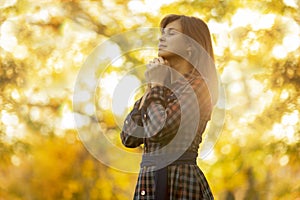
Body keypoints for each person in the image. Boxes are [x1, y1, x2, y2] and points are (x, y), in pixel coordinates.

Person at [120, 14, 218, 200]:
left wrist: (156, 87)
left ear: (191, 45)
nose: (161, 38)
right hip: (148, 184)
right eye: (162, 33)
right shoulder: (161, 87)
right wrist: (152, 89)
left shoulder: (199, 87)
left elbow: (159, 130)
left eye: (171, 33)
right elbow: (129, 137)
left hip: (181, 182)